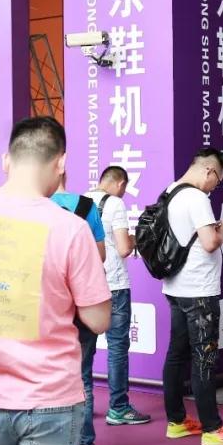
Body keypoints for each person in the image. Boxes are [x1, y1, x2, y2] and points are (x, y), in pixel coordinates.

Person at [0, 117, 110, 445]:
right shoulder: (71, 228)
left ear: (6, 160)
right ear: (61, 163)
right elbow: (98, 319)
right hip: (53, 395)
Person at [161, 147, 223, 445]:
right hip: (200, 292)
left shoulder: (170, 192)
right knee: (204, 357)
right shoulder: (196, 198)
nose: (215, 186)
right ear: (209, 170)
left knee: (177, 354)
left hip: (175, 288)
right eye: (217, 179)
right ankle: (212, 427)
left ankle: (177, 421)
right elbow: (209, 242)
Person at [85, 166, 151, 428]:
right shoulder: (115, 203)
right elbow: (123, 248)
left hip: (87, 285)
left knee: (85, 350)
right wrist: (136, 238)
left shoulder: (81, 200)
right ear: (120, 183)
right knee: (117, 348)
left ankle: (85, 407)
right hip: (114, 284)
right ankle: (119, 408)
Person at [50, 175, 107, 445]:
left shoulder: (33, 206)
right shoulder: (87, 206)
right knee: (82, 377)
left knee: (46, 376)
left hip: (47, 306)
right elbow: (100, 256)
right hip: (81, 305)